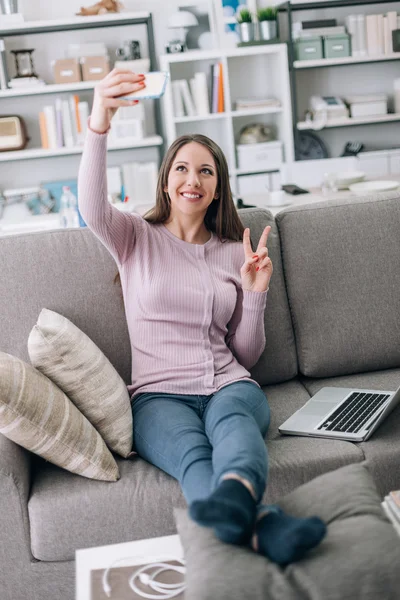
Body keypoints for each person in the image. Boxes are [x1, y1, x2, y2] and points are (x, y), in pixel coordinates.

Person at [78, 68, 326, 565]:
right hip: (157, 397)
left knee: (235, 429)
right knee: (193, 456)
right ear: (167, 182)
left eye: (206, 171)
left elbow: (246, 355)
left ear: (218, 189)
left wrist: (255, 293)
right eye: (182, 169)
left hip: (229, 385)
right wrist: (100, 120)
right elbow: (91, 204)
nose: (193, 179)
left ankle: (239, 505)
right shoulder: (134, 239)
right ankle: (263, 527)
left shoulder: (235, 252)